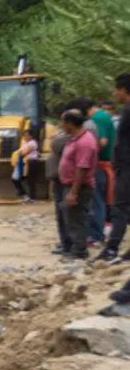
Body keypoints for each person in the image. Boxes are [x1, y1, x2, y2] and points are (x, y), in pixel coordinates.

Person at [57, 109, 99, 260]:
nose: (62, 127)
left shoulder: (85, 142)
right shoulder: (75, 138)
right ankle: (74, 248)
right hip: (70, 185)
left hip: (79, 187)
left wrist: (73, 192)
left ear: (70, 124)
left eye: (63, 123)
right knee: (70, 217)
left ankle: (79, 251)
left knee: (76, 219)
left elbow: (82, 168)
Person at [101, 74, 130, 263]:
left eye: (116, 89)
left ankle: (111, 248)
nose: (114, 93)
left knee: (120, 207)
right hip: (124, 165)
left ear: (124, 89)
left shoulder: (128, 111)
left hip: (127, 166)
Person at [88, 100, 116, 253]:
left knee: (96, 201)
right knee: (100, 201)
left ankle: (96, 235)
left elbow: (102, 141)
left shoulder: (98, 118)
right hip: (104, 164)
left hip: (99, 166)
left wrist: (87, 154)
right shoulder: (104, 117)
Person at [46, 124, 73, 255]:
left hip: (65, 179)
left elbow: (56, 144)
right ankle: (66, 242)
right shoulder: (67, 134)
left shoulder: (71, 136)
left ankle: (69, 244)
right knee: (62, 212)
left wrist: (55, 137)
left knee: (64, 212)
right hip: (60, 177)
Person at [11, 129, 39, 202]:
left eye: (27, 135)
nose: (26, 137)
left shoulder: (33, 143)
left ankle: (32, 198)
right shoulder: (24, 143)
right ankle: (24, 194)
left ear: (31, 136)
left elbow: (24, 153)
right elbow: (20, 152)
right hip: (23, 163)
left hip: (31, 162)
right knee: (15, 179)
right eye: (24, 135)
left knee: (31, 180)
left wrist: (18, 153)